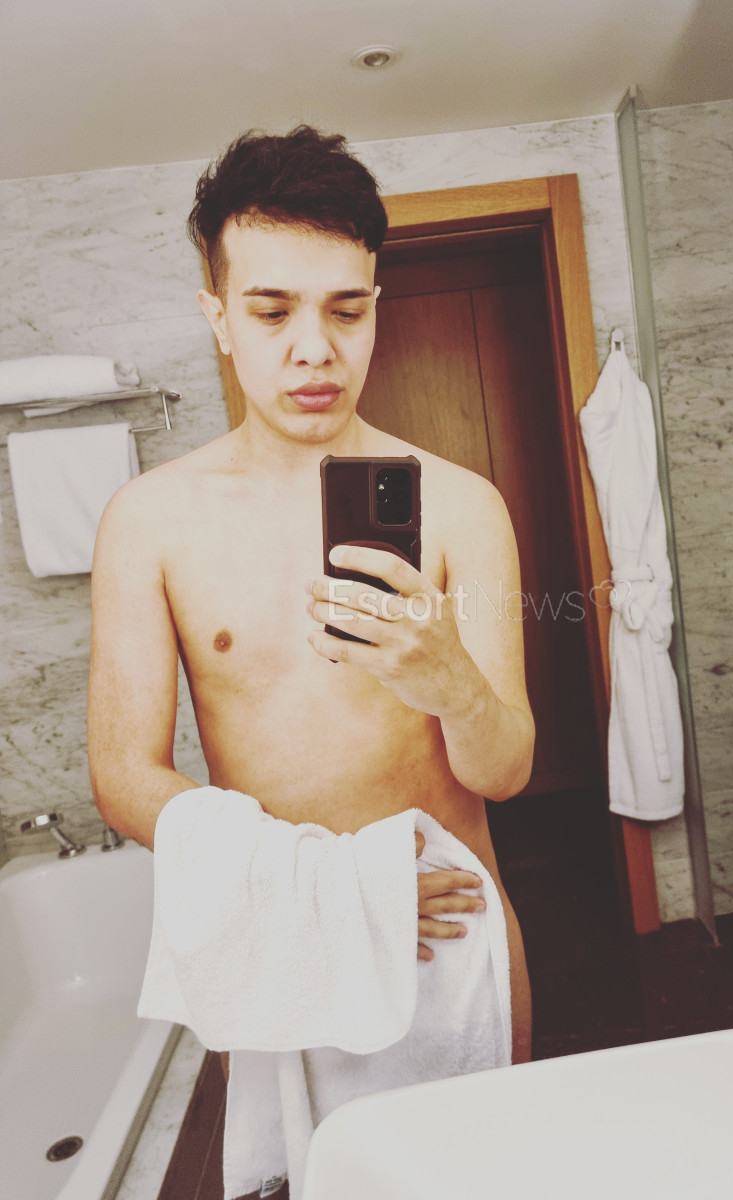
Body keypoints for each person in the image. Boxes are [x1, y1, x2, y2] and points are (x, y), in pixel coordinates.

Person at [86, 127, 535, 1096]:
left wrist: (454, 685)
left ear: (376, 305)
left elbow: (504, 773)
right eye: (271, 310)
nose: (314, 349)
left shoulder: (463, 507)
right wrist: (347, 892)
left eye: (346, 309)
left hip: (449, 935)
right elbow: (122, 780)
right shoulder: (148, 523)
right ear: (218, 318)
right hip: (282, 944)